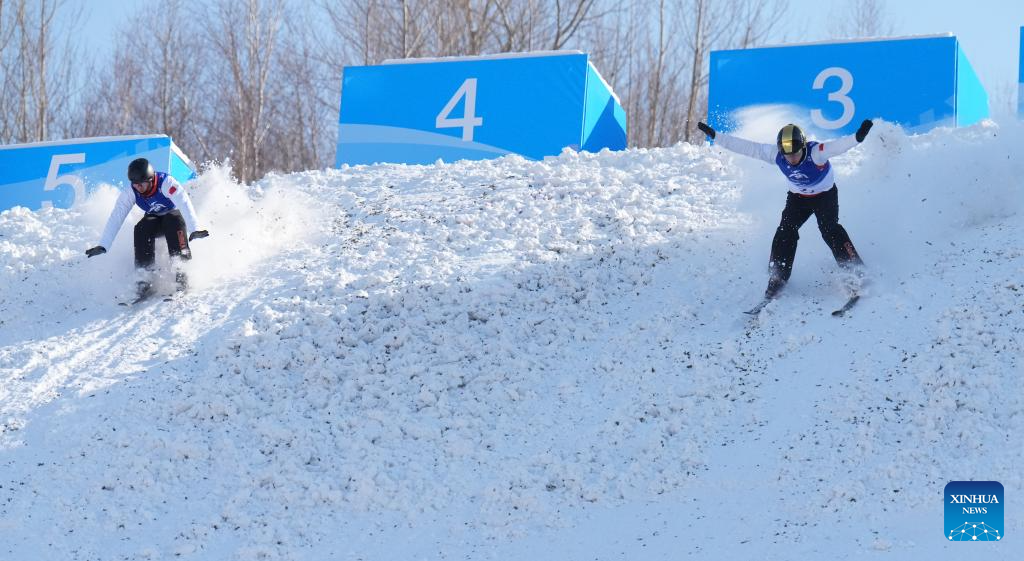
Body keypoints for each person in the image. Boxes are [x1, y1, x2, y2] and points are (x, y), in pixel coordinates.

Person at [696, 119, 873, 298]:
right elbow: (747, 147)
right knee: (785, 230)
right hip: (798, 198)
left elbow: (838, 146)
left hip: (824, 196)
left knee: (829, 229)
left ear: (803, 147)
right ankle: (778, 275)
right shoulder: (776, 154)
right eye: (787, 155)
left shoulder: (817, 153)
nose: (792, 158)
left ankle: (855, 270)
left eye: (795, 153)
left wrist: (857, 137)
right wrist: (716, 136)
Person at [86, 158, 209, 298]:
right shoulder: (131, 192)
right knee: (141, 228)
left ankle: (182, 277)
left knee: (172, 220)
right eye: (135, 184)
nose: (138, 188)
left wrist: (194, 228)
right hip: (154, 220)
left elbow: (184, 201)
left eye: (141, 184)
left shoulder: (166, 183)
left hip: (173, 217)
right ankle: (145, 280)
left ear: (151, 180)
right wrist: (103, 245)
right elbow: (116, 217)